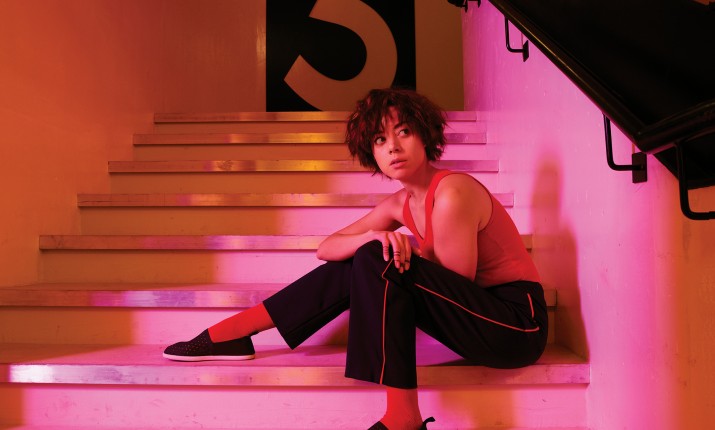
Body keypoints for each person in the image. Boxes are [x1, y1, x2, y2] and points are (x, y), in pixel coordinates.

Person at [163, 88, 548, 430]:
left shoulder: (452, 192)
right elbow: (327, 248)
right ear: (372, 153)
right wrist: (375, 236)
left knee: (377, 256)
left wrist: (400, 247)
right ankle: (234, 332)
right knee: (369, 250)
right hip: (477, 320)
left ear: (425, 135)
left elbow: (456, 284)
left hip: (515, 325)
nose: (393, 147)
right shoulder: (399, 203)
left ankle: (403, 419)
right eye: (380, 140)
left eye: (403, 132)